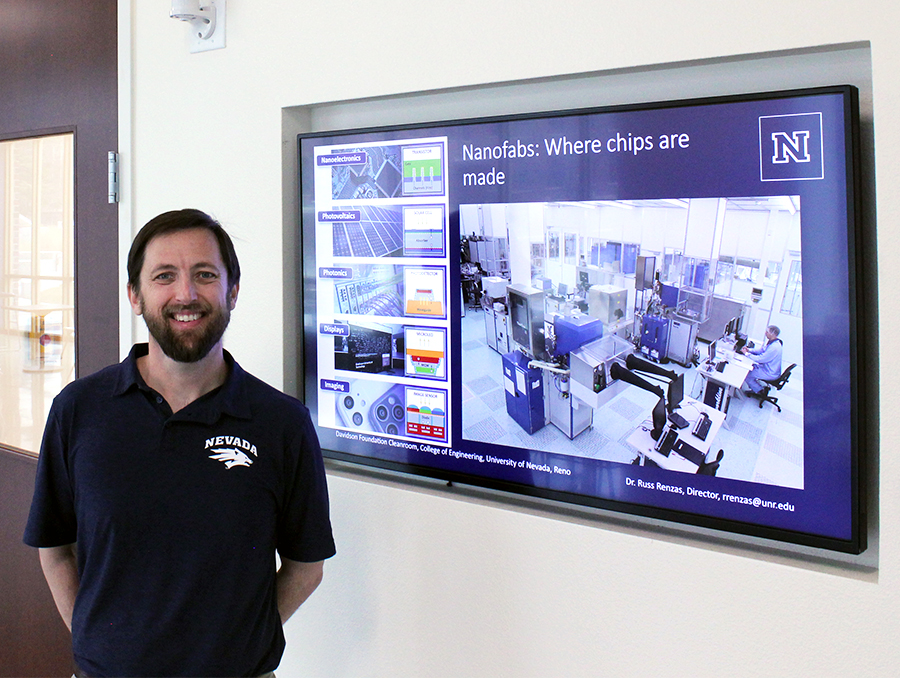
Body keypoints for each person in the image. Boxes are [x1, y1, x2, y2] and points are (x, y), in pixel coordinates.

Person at [24, 209, 336, 678]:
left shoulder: (282, 423)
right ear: (135, 295)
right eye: (164, 276)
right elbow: (55, 547)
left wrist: (238, 643)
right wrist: (94, 641)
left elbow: (306, 565)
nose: (185, 294)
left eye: (205, 275)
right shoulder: (80, 410)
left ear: (232, 291)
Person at [741, 324, 783, 395]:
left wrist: (746, 354)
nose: (765, 333)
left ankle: (760, 391)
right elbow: (762, 350)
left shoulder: (774, 347)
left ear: (772, 334)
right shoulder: (773, 342)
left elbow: (760, 359)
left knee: (747, 375)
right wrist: (749, 350)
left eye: (767, 332)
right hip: (768, 368)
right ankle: (757, 388)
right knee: (750, 368)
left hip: (769, 372)